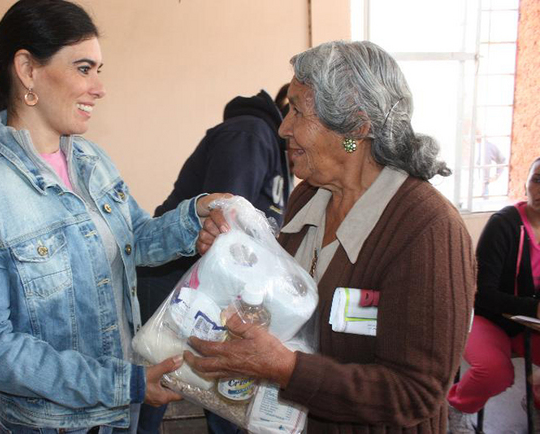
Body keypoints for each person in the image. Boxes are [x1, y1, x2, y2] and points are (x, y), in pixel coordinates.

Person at [0, 1, 225, 433]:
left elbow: (134, 239)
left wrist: (193, 218)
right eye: (84, 68)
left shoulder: (91, 160)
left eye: (99, 70)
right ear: (28, 70)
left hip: (123, 415)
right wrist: (120, 382)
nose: (99, 88)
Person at [187, 40, 477, 433]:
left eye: (298, 111)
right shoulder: (309, 196)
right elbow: (283, 304)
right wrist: (233, 258)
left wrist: (287, 370)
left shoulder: (429, 229)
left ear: (356, 127)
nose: (283, 127)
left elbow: (415, 393)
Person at [136, 87, 292, 434]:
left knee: (223, 394)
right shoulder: (250, 134)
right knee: (156, 388)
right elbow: (224, 222)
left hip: (210, 286)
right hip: (177, 281)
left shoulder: (274, 147)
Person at [448, 157, 540, 433]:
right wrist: (534, 308)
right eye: (537, 180)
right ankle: (454, 407)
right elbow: (482, 294)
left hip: (530, 325)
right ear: (525, 184)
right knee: (494, 372)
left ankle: (536, 399)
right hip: (487, 317)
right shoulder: (504, 224)